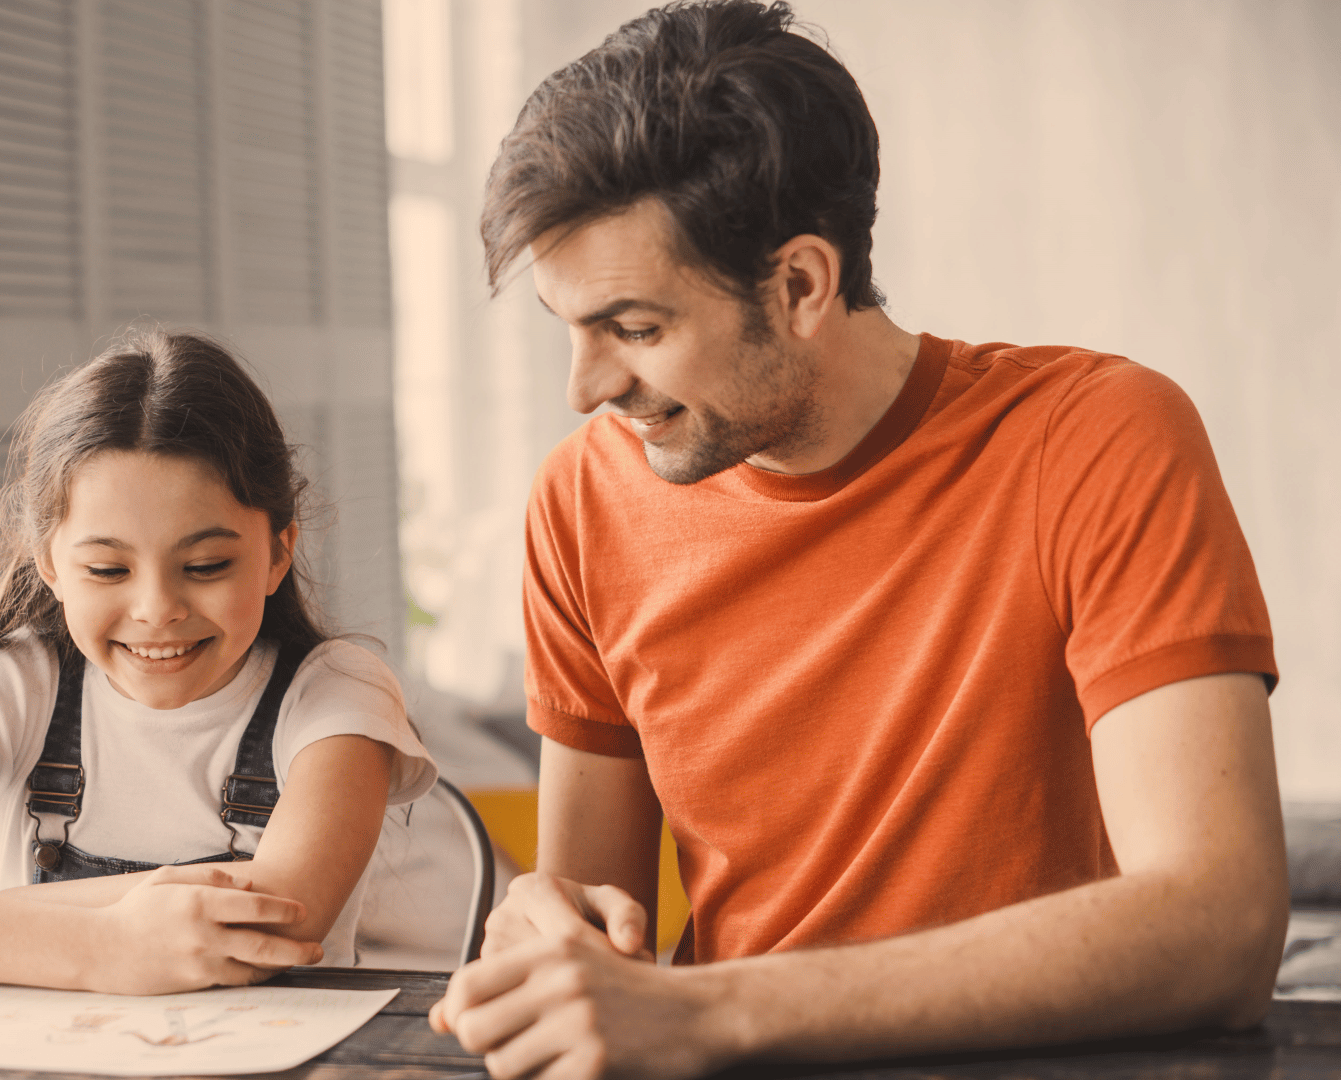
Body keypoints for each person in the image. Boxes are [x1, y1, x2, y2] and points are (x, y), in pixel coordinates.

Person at [430, 1, 1286, 1075]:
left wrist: (706, 1010)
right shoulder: (579, 502)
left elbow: (1222, 926)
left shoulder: (1096, 435)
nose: (587, 389)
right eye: (571, 328)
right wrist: (547, 931)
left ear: (799, 286)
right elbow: (599, 918)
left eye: (636, 330)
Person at [0, 329, 437, 993]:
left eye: (205, 565)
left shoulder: (337, 693)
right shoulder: (16, 686)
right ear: (50, 564)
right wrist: (105, 944)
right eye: (107, 568)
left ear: (279, 551)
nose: (157, 608)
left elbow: (279, 920)